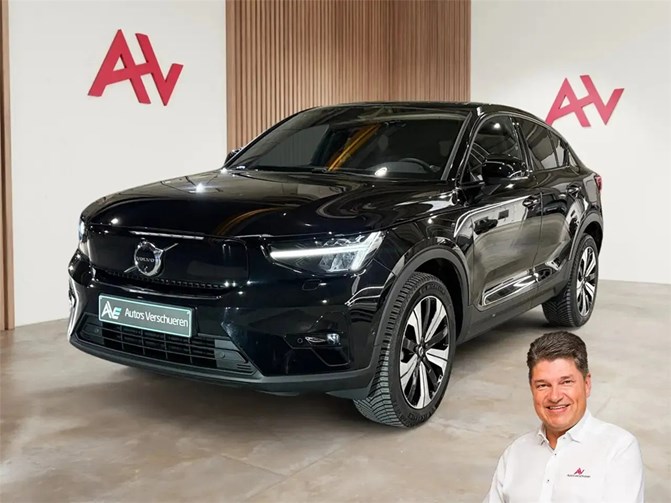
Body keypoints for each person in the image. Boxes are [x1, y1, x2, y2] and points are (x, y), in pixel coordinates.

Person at [484, 331, 644, 503]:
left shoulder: (618, 449)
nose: (555, 396)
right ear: (532, 389)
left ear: (587, 384)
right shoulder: (515, 453)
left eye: (566, 382)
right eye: (543, 385)